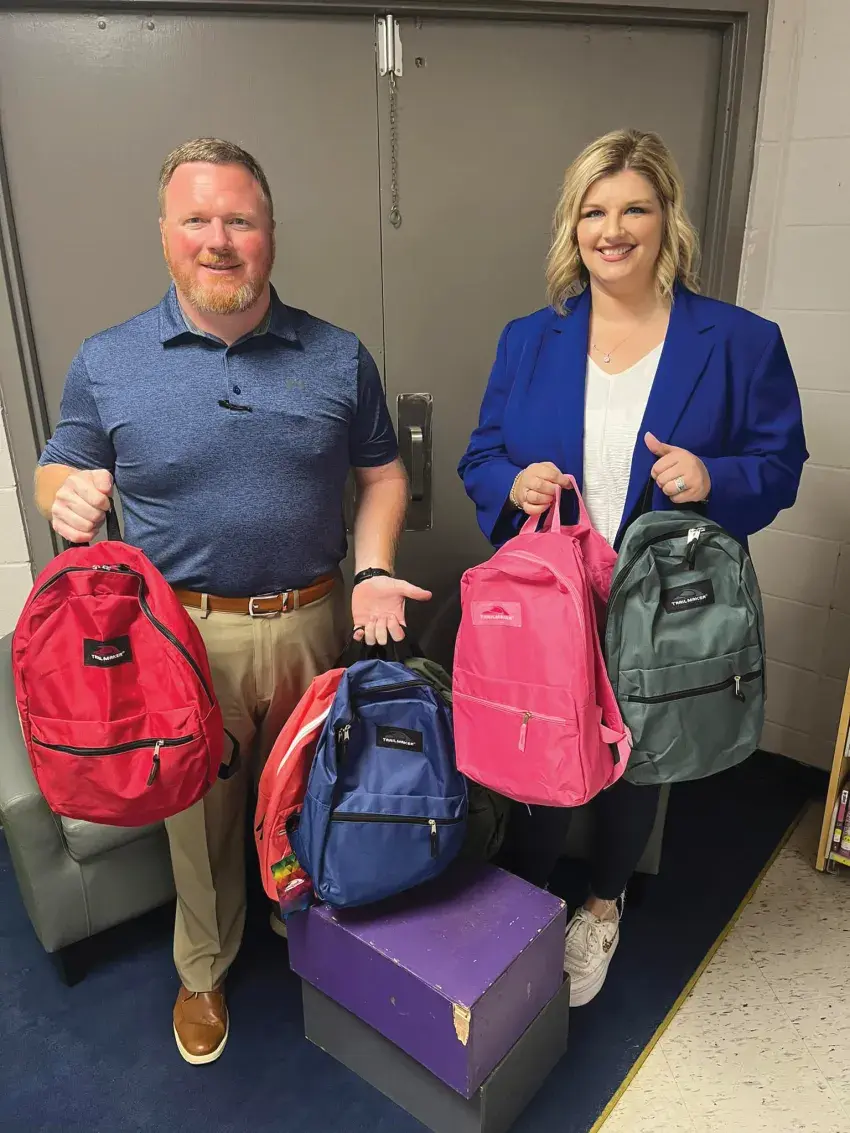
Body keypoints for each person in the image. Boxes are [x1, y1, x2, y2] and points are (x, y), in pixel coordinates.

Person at [34, 137, 430, 1063]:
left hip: (314, 619)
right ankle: (204, 967)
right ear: (165, 234)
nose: (218, 240)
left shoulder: (337, 355)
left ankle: (311, 926)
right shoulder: (108, 360)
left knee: (315, 791)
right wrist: (64, 494)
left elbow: (382, 474)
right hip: (180, 639)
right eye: (197, 220)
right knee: (199, 819)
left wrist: (374, 567)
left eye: (239, 220)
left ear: (270, 233)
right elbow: (59, 462)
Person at [457, 128, 807, 1007]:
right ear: (572, 225)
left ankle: (603, 905)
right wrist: (512, 483)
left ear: (667, 219)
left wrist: (713, 477)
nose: (612, 230)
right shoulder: (531, 340)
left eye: (634, 209)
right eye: (594, 211)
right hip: (554, 598)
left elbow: (780, 464)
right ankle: (526, 897)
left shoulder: (739, 341)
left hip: (659, 601)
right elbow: (481, 455)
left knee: (637, 759)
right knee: (540, 754)